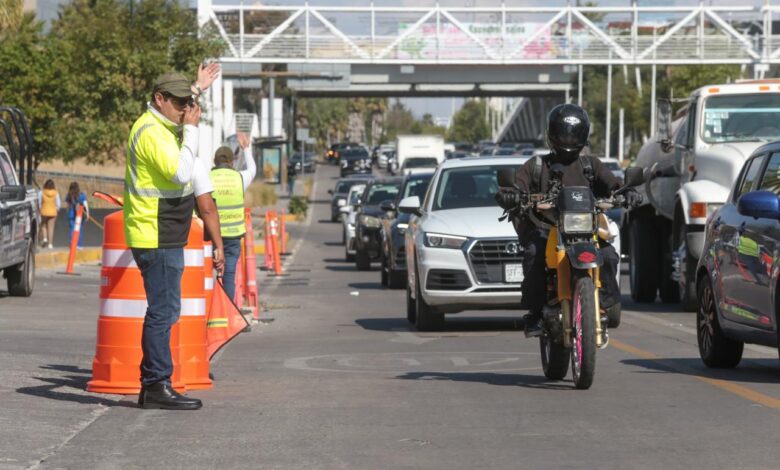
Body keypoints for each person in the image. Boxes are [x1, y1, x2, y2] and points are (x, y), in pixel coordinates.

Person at [495, 103, 641, 337]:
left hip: (586, 230)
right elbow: (514, 186)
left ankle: (603, 305)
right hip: (547, 227)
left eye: (574, 134)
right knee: (534, 254)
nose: (569, 139)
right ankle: (535, 312)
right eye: (564, 134)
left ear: (583, 135)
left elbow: (614, 185)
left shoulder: (590, 164)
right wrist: (509, 194)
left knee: (609, 255)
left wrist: (627, 191)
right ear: (552, 134)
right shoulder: (536, 166)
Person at [124, 63, 221, 410]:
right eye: (178, 103)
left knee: (164, 310)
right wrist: (193, 132)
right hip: (156, 234)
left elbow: (181, 103)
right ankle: (155, 384)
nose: (185, 110)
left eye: (187, 103)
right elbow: (181, 174)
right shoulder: (151, 131)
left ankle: (154, 382)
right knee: (163, 313)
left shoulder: (162, 122)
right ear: (158, 99)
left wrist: (197, 87)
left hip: (162, 233)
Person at [209, 132, 256, 300]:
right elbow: (252, 170)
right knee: (228, 273)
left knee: (207, 273)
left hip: (211, 236)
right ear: (231, 162)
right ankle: (226, 313)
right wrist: (246, 149)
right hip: (233, 235)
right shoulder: (239, 178)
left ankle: (208, 312)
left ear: (215, 162)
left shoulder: (207, 178)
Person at [66, 182, 88, 248]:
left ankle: (72, 242)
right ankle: (79, 244)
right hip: (79, 215)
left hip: (71, 214)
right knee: (79, 229)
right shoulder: (81, 195)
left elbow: (67, 205)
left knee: (72, 229)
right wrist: (87, 214)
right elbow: (86, 205)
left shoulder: (69, 195)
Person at [39, 179, 60, 248]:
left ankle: (45, 238)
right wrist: (56, 209)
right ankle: (50, 244)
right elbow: (58, 204)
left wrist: (39, 209)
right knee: (51, 228)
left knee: (43, 225)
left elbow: (39, 202)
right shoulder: (56, 193)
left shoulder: (41, 192)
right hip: (53, 212)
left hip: (44, 211)